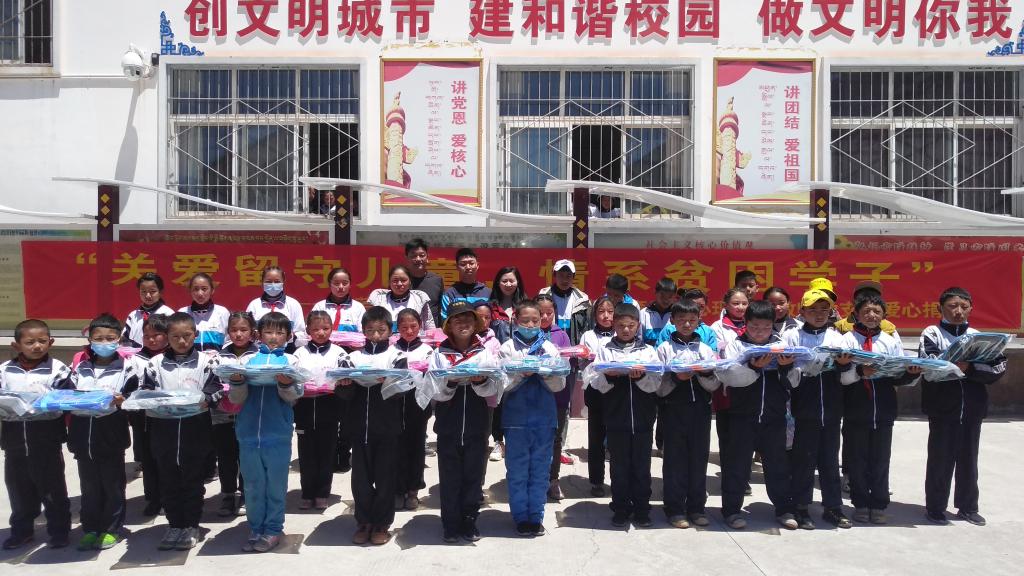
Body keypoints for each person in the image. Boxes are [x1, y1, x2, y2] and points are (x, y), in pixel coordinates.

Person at [919, 287, 1007, 526]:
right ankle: (935, 507)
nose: (958, 311)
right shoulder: (932, 333)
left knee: (969, 458)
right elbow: (930, 366)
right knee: (940, 459)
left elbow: (997, 368)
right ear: (940, 308)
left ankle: (968, 507)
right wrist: (956, 365)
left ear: (971, 309)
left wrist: (970, 368)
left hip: (972, 407)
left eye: (964, 307)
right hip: (942, 408)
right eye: (952, 306)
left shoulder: (979, 336)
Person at [716, 300, 799, 530]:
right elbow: (728, 377)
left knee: (777, 465)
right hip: (742, 415)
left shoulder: (782, 346)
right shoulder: (736, 345)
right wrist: (754, 367)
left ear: (773, 325)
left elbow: (794, 382)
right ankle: (731, 510)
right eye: (754, 327)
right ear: (746, 323)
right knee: (737, 465)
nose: (760, 332)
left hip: (774, 416)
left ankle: (784, 509)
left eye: (766, 327)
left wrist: (786, 367)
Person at [142, 312, 221, 551]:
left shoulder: (207, 362)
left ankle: (191, 525)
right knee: (168, 480)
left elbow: (216, 389)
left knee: (193, 480)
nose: (182, 341)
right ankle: (174, 524)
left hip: (195, 430)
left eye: (187, 336)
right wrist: (153, 400)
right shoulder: (155, 364)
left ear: (195, 335)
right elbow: (146, 391)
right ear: (167, 337)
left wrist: (206, 399)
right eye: (175, 337)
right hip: (163, 431)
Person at [840, 293, 921, 525]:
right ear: (856, 314)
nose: (871, 315)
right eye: (866, 311)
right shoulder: (846, 340)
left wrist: (910, 373)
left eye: (877, 311)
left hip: (884, 408)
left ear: (884, 315)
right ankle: (860, 503)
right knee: (857, 459)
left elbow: (897, 374)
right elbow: (840, 375)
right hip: (856, 408)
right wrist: (859, 371)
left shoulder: (890, 340)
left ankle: (878, 504)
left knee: (881, 459)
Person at [425, 301, 502, 543]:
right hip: (448, 423)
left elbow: (495, 387)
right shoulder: (439, 353)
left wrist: (481, 381)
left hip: (477, 423)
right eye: (457, 320)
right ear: (449, 326)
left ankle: (469, 521)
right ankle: (450, 524)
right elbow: (434, 390)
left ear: (476, 324)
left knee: (473, 475)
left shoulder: (484, 352)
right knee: (449, 476)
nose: (463, 324)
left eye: (468, 320)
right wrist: (451, 381)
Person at [227, 311, 304, 553]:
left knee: (275, 485)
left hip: (277, 434)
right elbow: (236, 398)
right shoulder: (248, 361)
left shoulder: (291, 362)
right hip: (248, 434)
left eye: (279, 333)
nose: (273, 337)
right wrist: (237, 381)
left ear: (288, 336)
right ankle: (256, 527)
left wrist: (285, 384)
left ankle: (273, 529)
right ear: (259, 335)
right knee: (252, 485)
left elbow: (295, 396)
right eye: (268, 332)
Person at [781, 289, 854, 530]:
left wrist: (843, 365)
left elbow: (847, 372)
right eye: (812, 309)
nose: (819, 314)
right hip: (803, 408)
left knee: (830, 460)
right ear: (802, 311)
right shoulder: (792, 335)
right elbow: (785, 371)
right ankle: (801, 507)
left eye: (824, 309)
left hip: (832, 407)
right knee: (803, 460)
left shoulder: (837, 337)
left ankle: (833, 508)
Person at [336, 306, 409, 546]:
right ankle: (364, 522)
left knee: (386, 477)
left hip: (387, 427)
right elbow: (343, 394)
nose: (375, 335)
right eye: (370, 330)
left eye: (381, 330)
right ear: (363, 331)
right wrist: (346, 383)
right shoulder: (352, 358)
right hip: (358, 427)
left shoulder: (397, 356)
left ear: (390, 330)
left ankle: (382, 523)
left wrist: (388, 381)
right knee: (361, 478)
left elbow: (401, 392)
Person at [584, 303, 661, 528]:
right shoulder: (605, 350)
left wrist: (640, 377)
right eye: (621, 325)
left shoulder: (648, 351)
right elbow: (595, 381)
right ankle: (620, 507)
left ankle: (642, 509)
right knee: (619, 465)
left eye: (631, 325)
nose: (626, 330)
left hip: (643, 417)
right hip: (616, 416)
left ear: (638, 326)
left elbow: (656, 382)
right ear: (614, 325)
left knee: (641, 465)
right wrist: (609, 375)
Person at [69, 313, 140, 551]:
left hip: (111, 435)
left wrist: (122, 400)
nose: (104, 342)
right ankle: (90, 529)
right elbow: (67, 393)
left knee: (113, 485)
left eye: (110, 338)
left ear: (119, 339)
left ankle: (111, 529)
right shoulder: (80, 366)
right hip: (82, 436)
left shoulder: (127, 367)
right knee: (89, 486)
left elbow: (134, 397)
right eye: (98, 338)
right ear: (90, 339)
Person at [1, 319, 72, 550]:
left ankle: (59, 531)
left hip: (46, 441)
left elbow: (67, 399)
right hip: (14, 442)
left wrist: (48, 403)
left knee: (52, 488)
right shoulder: (4, 370)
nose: (37, 346)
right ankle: (21, 531)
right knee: (18, 489)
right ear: (16, 345)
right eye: (30, 342)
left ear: (51, 342)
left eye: (42, 341)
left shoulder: (59, 369)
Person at [500, 300, 566, 537]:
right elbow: (501, 384)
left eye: (535, 321)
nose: (530, 325)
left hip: (544, 418)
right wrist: (521, 374)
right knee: (517, 471)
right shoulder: (507, 348)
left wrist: (543, 372)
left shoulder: (549, 348)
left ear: (543, 321)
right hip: (515, 419)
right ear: (515, 320)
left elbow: (559, 384)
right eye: (525, 320)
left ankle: (536, 516)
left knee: (540, 471)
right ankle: (520, 516)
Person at [655, 300, 720, 529]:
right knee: (674, 460)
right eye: (681, 320)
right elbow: (657, 386)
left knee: (698, 459)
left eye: (692, 320)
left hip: (700, 411)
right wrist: (676, 377)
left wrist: (704, 374)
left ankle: (696, 508)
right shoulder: (664, 349)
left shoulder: (705, 349)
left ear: (699, 321)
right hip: (673, 409)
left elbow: (714, 384)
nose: (687, 324)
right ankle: (674, 509)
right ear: (672, 321)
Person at [293, 310, 347, 511]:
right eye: (315, 329)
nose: (321, 333)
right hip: (304, 409)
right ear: (308, 330)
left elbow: (344, 378)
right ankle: (307, 493)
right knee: (306, 453)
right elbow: (293, 378)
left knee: (327, 452)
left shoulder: (339, 353)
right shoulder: (299, 354)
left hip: (329, 407)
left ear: (332, 329)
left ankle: (323, 493)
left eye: (325, 328)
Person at [213, 312, 257, 519]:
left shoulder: (259, 355)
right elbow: (211, 382)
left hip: (250, 414)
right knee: (226, 457)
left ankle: (246, 493)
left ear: (252, 332)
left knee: (247, 455)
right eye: (234, 330)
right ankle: (228, 494)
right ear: (227, 332)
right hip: (222, 415)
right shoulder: (218, 357)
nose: (238, 334)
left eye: (243, 330)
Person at [128, 314, 171, 517]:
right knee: (149, 458)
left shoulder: (172, 357)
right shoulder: (134, 359)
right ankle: (153, 498)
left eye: (156, 335)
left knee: (167, 458)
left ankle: (169, 497)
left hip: (169, 416)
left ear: (167, 335)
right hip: (143, 417)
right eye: (147, 336)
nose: (151, 339)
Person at [393, 309, 435, 511]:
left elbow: (433, 376)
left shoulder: (428, 350)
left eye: (413, 326)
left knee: (416, 448)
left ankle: (413, 490)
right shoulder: (392, 349)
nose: (409, 331)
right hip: (394, 404)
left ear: (420, 326)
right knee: (396, 448)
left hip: (418, 403)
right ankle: (397, 489)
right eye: (404, 327)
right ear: (397, 328)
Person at [536, 294, 573, 501]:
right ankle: (537, 479)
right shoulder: (526, 335)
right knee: (536, 437)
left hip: (557, 395)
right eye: (540, 313)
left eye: (549, 313)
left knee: (555, 438)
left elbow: (569, 365)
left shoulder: (562, 335)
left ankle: (553, 480)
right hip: (533, 395)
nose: (544, 317)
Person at [578, 296, 615, 496]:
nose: (606, 316)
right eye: (601, 311)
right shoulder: (588, 336)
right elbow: (583, 363)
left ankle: (618, 479)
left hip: (617, 391)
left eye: (610, 311)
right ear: (594, 314)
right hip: (595, 390)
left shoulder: (621, 333)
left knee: (617, 438)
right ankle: (596, 481)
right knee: (596, 437)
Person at [245, 266, 307, 349]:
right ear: (262, 282)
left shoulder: (293, 304)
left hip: (286, 351)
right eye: (268, 282)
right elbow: (247, 330)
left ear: (283, 281)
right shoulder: (254, 305)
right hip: (258, 351)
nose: (273, 284)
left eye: (277, 282)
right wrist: (254, 334)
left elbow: (300, 333)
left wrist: (288, 336)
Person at [537, 259, 592, 345]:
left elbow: (588, 326)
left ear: (573, 277)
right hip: (549, 345)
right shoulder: (543, 296)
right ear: (554, 275)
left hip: (575, 348)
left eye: (568, 276)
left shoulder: (583, 300)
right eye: (561, 275)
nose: (565, 280)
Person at [368, 265, 435, 331]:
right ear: (389, 282)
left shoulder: (420, 299)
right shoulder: (379, 300)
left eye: (403, 280)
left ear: (410, 281)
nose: (399, 284)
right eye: (395, 280)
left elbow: (429, 325)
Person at [121, 272, 174, 348]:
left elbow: (172, 340)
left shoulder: (168, 314)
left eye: (152, 291)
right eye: (143, 291)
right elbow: (125, 339)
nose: (148, 295)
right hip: (135, 355)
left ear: (161, 292)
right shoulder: (133, 315)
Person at [834, 281, 902, 340]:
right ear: (854, 302)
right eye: (863, 297)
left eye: (873, 296)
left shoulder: (889, 327)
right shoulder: (842, 326)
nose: (871, 315)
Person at [179, 273, 230, 351]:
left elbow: (229, 340)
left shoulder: (222, 312)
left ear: (212, 290)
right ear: (190, 291)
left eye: (204, 289)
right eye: (196, 289)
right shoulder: (183, 313)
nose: (200, 293)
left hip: (218, 358)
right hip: (191, 358)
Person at [440, 248, 491, 321]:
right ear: (457, 267)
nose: (468, 267)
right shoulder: (449, 294)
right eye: (463, 264)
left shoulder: (488, 293)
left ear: (477, 265)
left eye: (471, 263)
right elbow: (445, 320)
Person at [311, 267, 367, 334]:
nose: (341, 287)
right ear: (329, 284)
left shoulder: (358, 307)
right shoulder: (320, 307)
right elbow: (311, 330)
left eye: (345, 283)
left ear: (350, 285)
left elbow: (363, 333)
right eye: (336, 283)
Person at [404, 238, 445, 327]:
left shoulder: (437, 280)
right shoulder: (401, 282)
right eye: (413, 255)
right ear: (406, 258)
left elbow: (441, 310)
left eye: (422, 255)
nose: (418, 259)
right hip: (407, 331)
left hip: (432, 332)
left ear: (427, 257)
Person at [489, 266, 526, 344]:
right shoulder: (490, 307)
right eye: (504, 281)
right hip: (497, 351)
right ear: (498, 283)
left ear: (518, 282)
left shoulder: (526, 306)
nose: (508, 284)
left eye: (511, 281)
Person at [640, 278, 677, 345]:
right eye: (662, 296)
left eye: (670, 297)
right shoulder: (644, 314)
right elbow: (638, 340)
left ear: (675, 296)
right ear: (655, 293)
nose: (666, 300)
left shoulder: (678, 315)